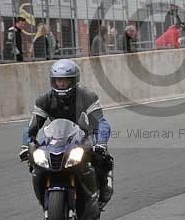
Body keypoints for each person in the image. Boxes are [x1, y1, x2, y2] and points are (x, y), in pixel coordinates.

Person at [19, 59, 114, 208]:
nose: (61, 84)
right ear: (53, 81)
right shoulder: (45, 99)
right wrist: (25, 145)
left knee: (102, 158)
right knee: (35, 162)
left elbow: (101, 122)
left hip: (82, 137)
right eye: (58, 81)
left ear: (74, 80)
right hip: (56, 140)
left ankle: (103, 188)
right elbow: (32, 126)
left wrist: (101, 142)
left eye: (65, 81)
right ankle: (44, 196)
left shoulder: (87, 96)